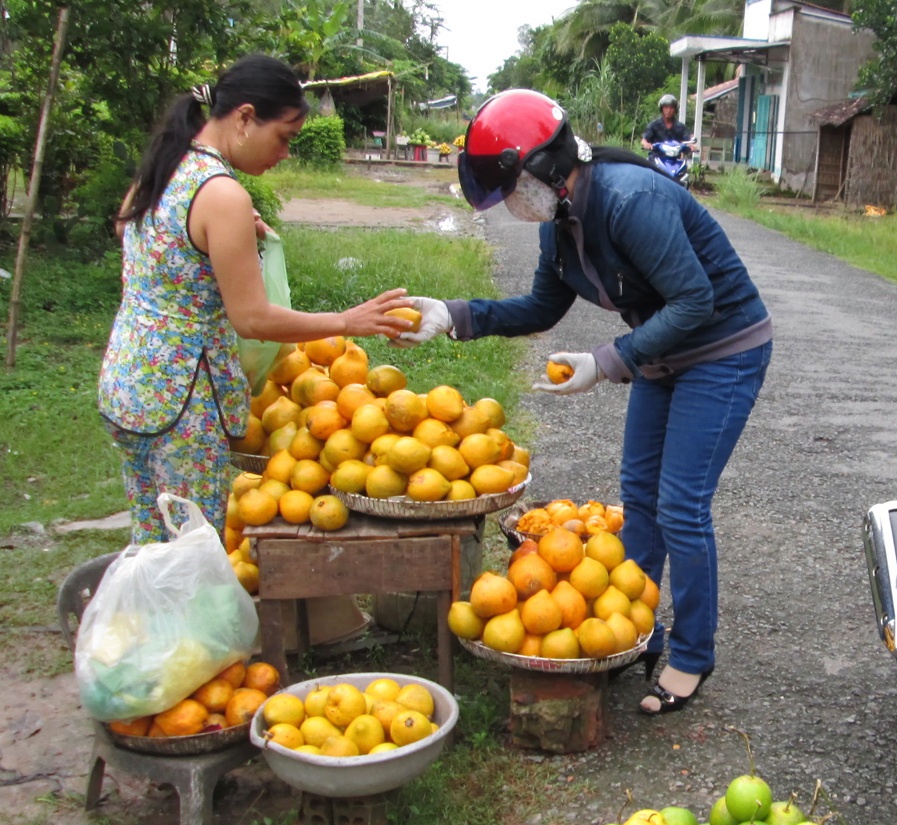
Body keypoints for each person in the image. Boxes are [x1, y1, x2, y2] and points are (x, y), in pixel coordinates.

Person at [401, 89, 772, 716]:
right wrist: (456, 315)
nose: (514, 204)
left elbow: (694, 302)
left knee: (681, 505)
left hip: (722, 350)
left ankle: (691, 654)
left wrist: (605, 363)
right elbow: (542, 309)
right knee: (640, 493)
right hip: (662, 353)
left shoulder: (630, 200)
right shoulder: (562, 226)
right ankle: (633, 623)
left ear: (546, 166)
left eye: (514, 186)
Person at [99, 53, 412, 545]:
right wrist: (347, 321)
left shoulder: (167, 165)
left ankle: (142, 622)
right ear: (245, 118)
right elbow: (252, 319)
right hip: (183, 400)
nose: (285, 152)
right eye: (284, 136)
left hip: (130, 384)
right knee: (191, 548)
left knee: (153, 539)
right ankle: (183, 625)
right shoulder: (222, 193)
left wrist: (216, 246)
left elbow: (130, 230)